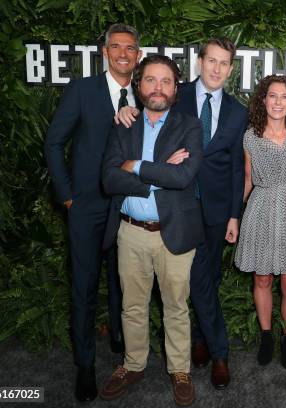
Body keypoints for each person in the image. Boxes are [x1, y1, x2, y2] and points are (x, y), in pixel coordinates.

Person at [116, 37, 247, 389]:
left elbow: (237, 167)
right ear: (200, 62)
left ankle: (203, 341)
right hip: (175, 204)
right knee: (188, 283)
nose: (217, 69)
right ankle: (218, 352)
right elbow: (145, 117)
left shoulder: (237, 111)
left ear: (231, 69)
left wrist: (235, 214)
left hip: (216, 210)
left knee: (207, 281)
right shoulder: (176, 94)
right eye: (211, 61)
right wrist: (126, 108)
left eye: (224, 63)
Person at [43, 23, 141, 402]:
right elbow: (54, 143)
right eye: (115, 47)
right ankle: (85, 366)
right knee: (84, 287)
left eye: (129, 48)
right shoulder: (83, 90)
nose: (122, 54)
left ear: (137, 53)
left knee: (124, 283)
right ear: (104, 52)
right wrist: (67, 196)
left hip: (127, 205)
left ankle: (120, 344)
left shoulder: (144, 93)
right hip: (85, 205)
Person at [99, 55, 204, 406]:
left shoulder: (189, 125)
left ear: (176, 88)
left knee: (175, 305)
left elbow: (184, 176)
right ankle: (133, 365)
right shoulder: (123, 125)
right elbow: (110, 179)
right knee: (132, 306)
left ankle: (179, 369)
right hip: (130, 232)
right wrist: (158, 173)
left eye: (166, 81)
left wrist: (137, 166)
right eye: (151, 80)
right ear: (138, 85)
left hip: (173, 232)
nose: (158, 87)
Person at [234, 75, 286, 369]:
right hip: (261, 210)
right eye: (272, 96)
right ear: (263, 100)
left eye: (284, 97)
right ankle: (267, 335)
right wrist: (230, 216)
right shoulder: (250, 137)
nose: (278, 102)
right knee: (262, 279)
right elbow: (247, 179)